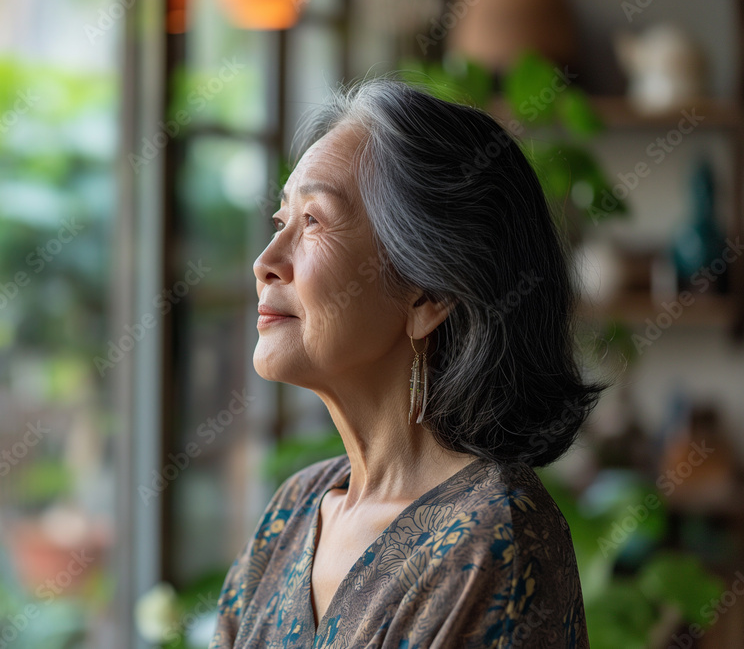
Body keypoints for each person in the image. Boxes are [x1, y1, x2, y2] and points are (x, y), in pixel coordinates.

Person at [208, 79, 604, 648]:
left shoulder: (491, 536)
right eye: (280, 222)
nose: (265, 262)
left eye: (314, 221)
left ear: (427, 294)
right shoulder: (295, 509)